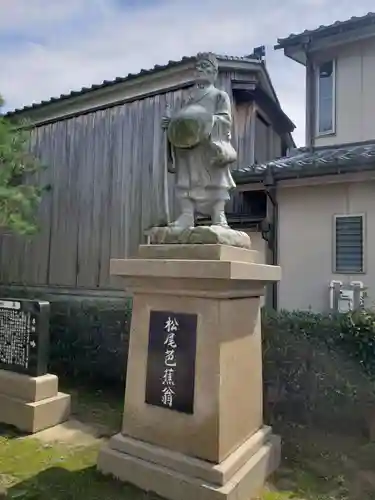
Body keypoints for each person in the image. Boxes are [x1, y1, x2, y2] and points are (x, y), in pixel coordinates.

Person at [161, 52, 237, 229]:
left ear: (214, 73)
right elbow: (183, 121)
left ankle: (219, 215)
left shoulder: (219, 96)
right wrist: (171, 123)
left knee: (215, 179)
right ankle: (187, 215)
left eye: (206, 67)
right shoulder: (189, 99)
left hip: (209, 146)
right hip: (189, 147)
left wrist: (206, 122)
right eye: (199, 68)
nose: (201, 71)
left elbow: (225, 121)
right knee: (185, 179)